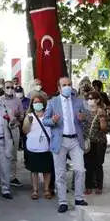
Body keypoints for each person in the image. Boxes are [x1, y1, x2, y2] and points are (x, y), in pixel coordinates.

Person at [43, 77, 89, 212]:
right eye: (64, 85)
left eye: (69, 84)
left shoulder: (79, 102)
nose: (67, 87)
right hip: (60, 140)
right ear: (59, 88)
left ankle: (79, 198)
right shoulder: (52, 102)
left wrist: (83, 118)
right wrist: (52, 120)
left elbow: (85, 119)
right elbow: (45, 120)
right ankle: (62, 201)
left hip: (75, 140)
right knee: (60, 173)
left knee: (80, 170)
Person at [22, 91, 54, 200]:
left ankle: (46, 190)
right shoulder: (29, 116)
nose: (37, 104)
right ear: (32, 104)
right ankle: (35, 190)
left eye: (39, 102)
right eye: (35, 102)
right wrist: (28, 122)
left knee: (47, 170)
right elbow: (25, 131)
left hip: (46, 147)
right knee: (34, 170)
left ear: (44, 103)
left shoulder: (48, 115)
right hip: (33, 147)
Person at [83, 91, 109, 195]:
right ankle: (88, 186)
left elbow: (105, 129)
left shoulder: (102, 112)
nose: (89, 100)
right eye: (88, 99)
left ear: (97, 100)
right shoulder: (85, 112)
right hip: (88, 143)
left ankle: (99, 186)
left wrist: (102, 119)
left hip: (99, 142)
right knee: (88, 165)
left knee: (98, 165)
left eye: (91, 98)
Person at [2, 79, 24, 187]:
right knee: (2, 153)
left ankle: (13, 177)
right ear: (3, 88)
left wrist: (18, 118)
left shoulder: (18, 100)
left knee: (13, 154)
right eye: (7, 87)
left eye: (12, 87)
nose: (10, 89)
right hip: (2, 130)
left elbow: (22, 115)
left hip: (14, 129)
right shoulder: (0, 100)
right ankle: (0, 176)